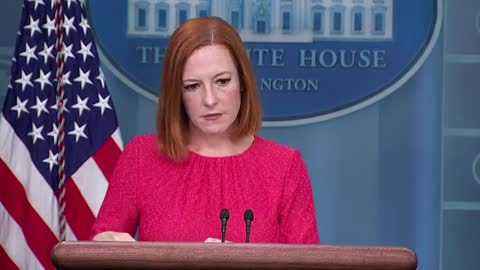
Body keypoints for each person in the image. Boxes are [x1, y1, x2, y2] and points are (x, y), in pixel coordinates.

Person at [89, 16, 319, 244]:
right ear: (176, 94)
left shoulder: (285, 166)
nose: (209, 100)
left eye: (222, 81)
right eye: (193, 86)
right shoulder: (141, 157)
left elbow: (307, 265)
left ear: (243, 82)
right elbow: (97, 252)